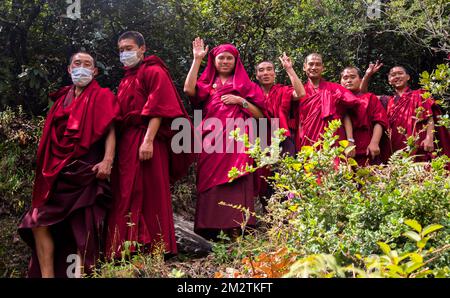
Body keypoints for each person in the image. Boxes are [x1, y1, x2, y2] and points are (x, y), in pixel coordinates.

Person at [18, 51, 119, 277]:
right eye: (77, 63)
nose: (81, 67)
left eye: (87, 64)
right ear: (69, 69)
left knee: (82, 230)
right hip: (56, 172)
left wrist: (108, 160)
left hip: (87, 170)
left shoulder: (102, 95)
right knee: (36, 221)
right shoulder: (61, 99)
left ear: (94, 71)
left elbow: (110, 129)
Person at [106, 31, 194, 258]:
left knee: (151, 191)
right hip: (127, 142)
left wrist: (148, 141)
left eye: (129, 48)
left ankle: (156, 246)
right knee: (125, 192)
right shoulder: (126, 79)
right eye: (121, 50)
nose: (125, 53)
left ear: (143, 49)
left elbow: (159, 107)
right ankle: (126, 248)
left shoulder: (154, 71)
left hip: (148, 139)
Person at [184, 37, 266, 240]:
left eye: (229, 58)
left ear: (236, 62)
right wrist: (197, 59)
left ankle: (237, 229)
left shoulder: (247, 86)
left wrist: (241, 101)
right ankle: (210, 228)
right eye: (221, 58)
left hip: (238, 139)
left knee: (237, 181)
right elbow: (188, 89)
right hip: (211, 139)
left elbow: (261, 116)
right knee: (210, 181)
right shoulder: (207, 83)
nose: (225, 61)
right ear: (214, 61)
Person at [361, 64, 450, 162]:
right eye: (393, 75)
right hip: (391, 147)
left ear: (408, 77)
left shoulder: (419, 94)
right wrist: (367, 75)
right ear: (389, 81)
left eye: (400, 73)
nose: (397, 76)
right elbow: (364, 95)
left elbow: (429, 117)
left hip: (417, 144)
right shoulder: (386, 100)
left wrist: (429, 138)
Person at [295, 53, 360, 151]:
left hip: (334, 140)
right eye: (311, 64)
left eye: (318, 64)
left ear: (323, 68)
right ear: (304, 67)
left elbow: (345, 116)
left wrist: (350, 140)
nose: (314, 67)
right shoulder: (298, 92)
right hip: (308, 140)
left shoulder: (335, 89)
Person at [255, 53, 306, 155]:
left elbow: (301, 93)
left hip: (282, 137)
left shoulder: (282, 90)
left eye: (269, 69)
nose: (265, 73)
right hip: (260, 137)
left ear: (274, 74)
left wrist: (289, 69)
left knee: (284, 170)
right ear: (257, 76)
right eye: (261, 70)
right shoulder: (253, 93)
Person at [340, 66, 388, 166]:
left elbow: (379, 121)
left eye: (353, 77)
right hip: (342, 150)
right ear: (340, 81)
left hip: (367, 147)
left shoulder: (370, 98)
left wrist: (374, 142)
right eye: (345, 78)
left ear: (360, 80)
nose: (349, 80)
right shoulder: (336, 99)